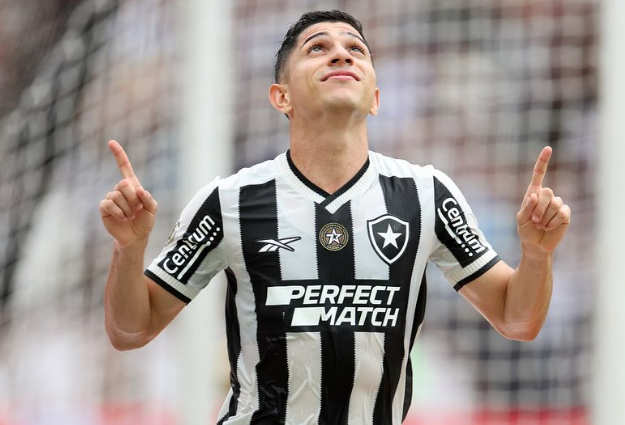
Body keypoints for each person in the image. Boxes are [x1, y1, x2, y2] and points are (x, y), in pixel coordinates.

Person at [99, 10, 571, 425]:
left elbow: (517, 320)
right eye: (317, 48)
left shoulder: (425, 194)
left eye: (356, 49)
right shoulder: (230, 201)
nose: (341, 55)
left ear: (376, 98)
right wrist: (128, 248)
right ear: (281, 97)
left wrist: (536, 254)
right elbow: (131, 330)